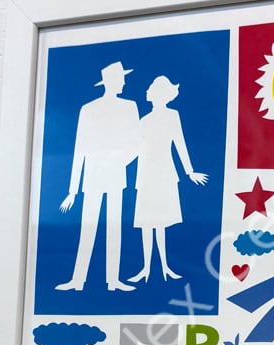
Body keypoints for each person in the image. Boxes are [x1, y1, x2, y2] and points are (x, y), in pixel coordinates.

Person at [56, 61, 142, 292]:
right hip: (92, 177)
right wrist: (72, 190)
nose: (124, 82)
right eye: (121, 78)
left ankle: (113, 281)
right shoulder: (88, 109)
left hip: (115, 176)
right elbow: (79, 150)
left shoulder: (130, 107)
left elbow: (136, 144)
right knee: (88, 227)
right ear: (111, 81)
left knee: (114, 227)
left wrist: (116, 161)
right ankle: (77, 280)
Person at [128, 76, 207, 282]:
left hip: (164, 172)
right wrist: (115, 163)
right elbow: (134, 149)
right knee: (146, 222)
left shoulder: (173, 116)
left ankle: (164, 266)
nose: (152, 94)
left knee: (160, 222)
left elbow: (180, 143)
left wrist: (189, 171)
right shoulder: (143, 121)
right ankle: (146, 268)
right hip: (145, 174)